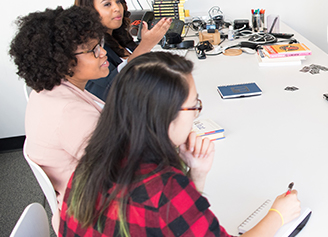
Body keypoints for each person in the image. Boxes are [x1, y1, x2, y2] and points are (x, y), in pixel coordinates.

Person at [59, 52, 301, 237]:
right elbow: (167, 209)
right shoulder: (164, 189)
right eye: (194, 106)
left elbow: (170, 224)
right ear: (165, 115)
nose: (196, 114)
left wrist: (195, 174)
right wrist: (278, 215)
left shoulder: (91, 162)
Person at [9, 5, 109, 234]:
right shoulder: (69, 112)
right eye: (92, 50)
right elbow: (125, 171)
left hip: (77, 203)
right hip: (95, 218)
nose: (102, 53)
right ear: (62, 60)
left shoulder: (48, 91)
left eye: (99, 45)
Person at [75, 0, 172, 101]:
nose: (117, 8)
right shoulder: (89, 51)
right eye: (107, 4)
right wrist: (146, 45)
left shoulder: (120, 39)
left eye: (118, 1)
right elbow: (110, 90)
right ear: (89, 11)